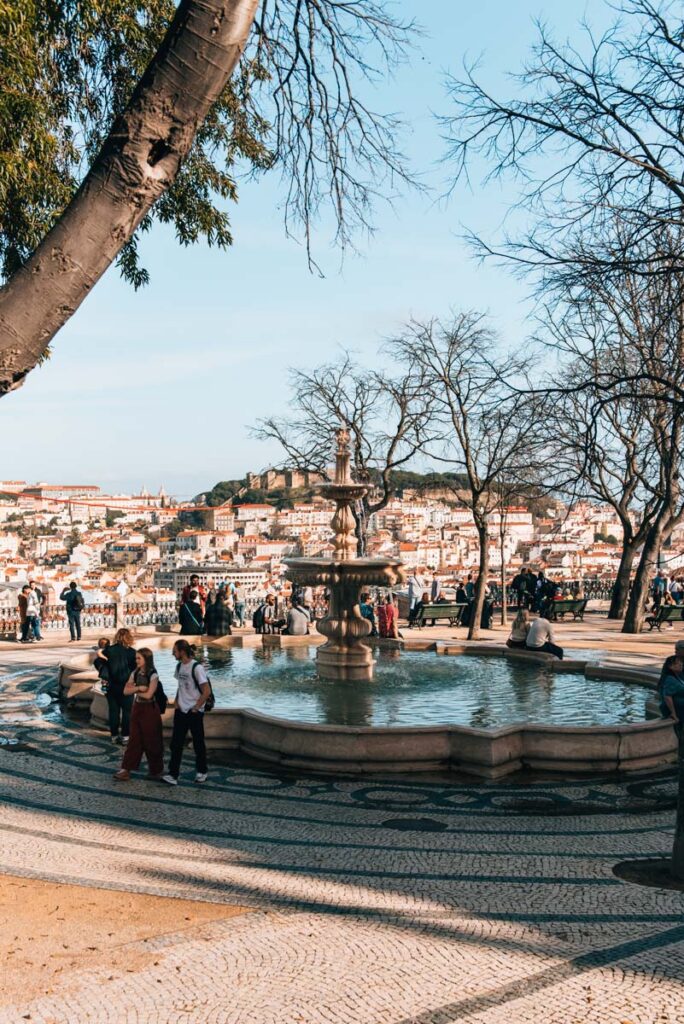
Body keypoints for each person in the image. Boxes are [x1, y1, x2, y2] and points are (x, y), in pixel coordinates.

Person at [163, 640, 211, 786]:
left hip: (194, 712)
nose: (173, 653)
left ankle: (202, 771)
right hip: (181, 710)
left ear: (182, 651)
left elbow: (206, 691)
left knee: (198, 743)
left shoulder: (196, 668)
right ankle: (173, 774)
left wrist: (196, 707)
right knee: (176, 744)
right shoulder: (179, 666)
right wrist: (177, 702)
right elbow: (181, 686)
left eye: (175, 650)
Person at [113, 648, 164, 781]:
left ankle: (156, 769)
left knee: (152, 740)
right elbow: (125, 691)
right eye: (136, 658)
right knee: (134, 740)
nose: (136, 660)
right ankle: (126, 770)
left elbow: (149, 695)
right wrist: (138, 688)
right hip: (137, 708)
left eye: (138, 658)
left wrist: (134, 691)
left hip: (150, 709)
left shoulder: (153, 674)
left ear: (146, 659)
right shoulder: (135, 672)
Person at [106, 627, 137, 744]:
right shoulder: (132, 652)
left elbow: (100, 659)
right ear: (129, 638)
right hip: (126, 685)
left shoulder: (109, 650)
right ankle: (125, 736)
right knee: (127, 712)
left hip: (111, 685)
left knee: (113, 711)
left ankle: (114, 735)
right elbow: (136, 669)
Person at [659, 654, 684, 733]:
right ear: (670, 666)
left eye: (680, 662)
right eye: (677, 663)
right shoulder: (670, 679)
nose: (681, 664)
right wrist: (673, 713)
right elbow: (667, 697)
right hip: (679, 710)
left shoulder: (678, 676)